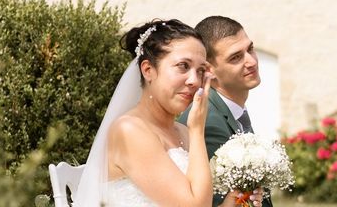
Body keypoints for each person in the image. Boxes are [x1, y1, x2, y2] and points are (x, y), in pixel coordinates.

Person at [75, 19, 234, 207]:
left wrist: (232, 202)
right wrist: (198, 130)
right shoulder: (130, 131)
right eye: (183, 66)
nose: (194, 81)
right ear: (148, 70)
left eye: (200, 70)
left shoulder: (182, 131)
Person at [179, 16, 272, 207]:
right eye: (236, 57)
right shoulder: (209, 122)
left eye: (250, 49)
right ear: (209, 71)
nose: (251, 61)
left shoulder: (230, 109)